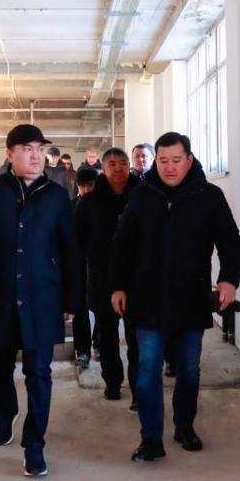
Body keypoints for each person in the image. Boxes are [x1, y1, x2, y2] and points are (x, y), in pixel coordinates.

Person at [110, 132, 240, 462]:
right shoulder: (141, 196)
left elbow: (229, 240)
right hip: (146, 297)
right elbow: (122, 245)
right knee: (148, 369)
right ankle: (151, 437)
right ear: (156, 161)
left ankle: (184, 426)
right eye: (163, 161)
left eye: (176, 160)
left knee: (189, 369)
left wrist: (228, 280)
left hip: (191, 297)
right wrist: (118, 286)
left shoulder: (208, 196)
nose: (169, 167)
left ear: (189, 159)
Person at [0, 124, 79, 478]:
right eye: (27, 149)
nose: (36, 155)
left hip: (42, 298)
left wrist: (71, 297)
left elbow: (70, 250)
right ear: (10, 153)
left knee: (39, 374)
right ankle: (6, 412)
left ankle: (34, 445)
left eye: (39, 149)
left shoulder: (56, 196)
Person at [75, 149, 140, 407]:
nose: (118, 168)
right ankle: (112, 382)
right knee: (107, 336)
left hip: (137, 279)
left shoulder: (142, 196)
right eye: (112, 164)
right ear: (103, 168)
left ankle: (138, 389)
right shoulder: (89, 202)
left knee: (137, 338)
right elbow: (78, 241)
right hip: (102, 278)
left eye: (123, 163)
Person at [70, 166, 98, 369]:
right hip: (77, 263)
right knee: (79, 308)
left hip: (99, 263)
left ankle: (99, 343)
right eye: (83, 186)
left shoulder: (104, 205)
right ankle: (82, 350)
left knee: (101, 308)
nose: (86, 189)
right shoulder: (70, 206)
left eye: (90, 186)